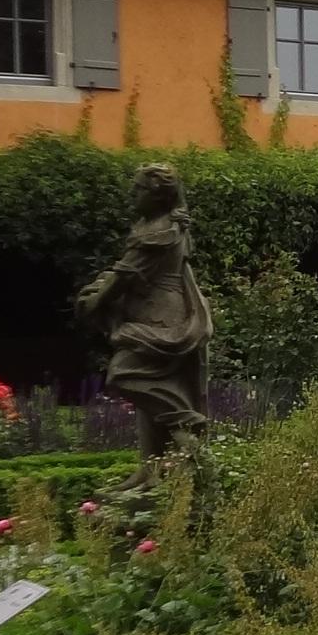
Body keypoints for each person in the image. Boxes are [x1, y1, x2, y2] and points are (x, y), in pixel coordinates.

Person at [77, 163, 211, 461]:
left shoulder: (161, 230)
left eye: (139, 188)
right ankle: (151, 470)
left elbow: (125, 274)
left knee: (122, 373)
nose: (132, 193)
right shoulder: (159, 224)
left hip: (162, 319)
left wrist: (96, 300)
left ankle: (184, 421)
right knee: (151, 389)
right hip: (152, 313)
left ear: (158, 196)